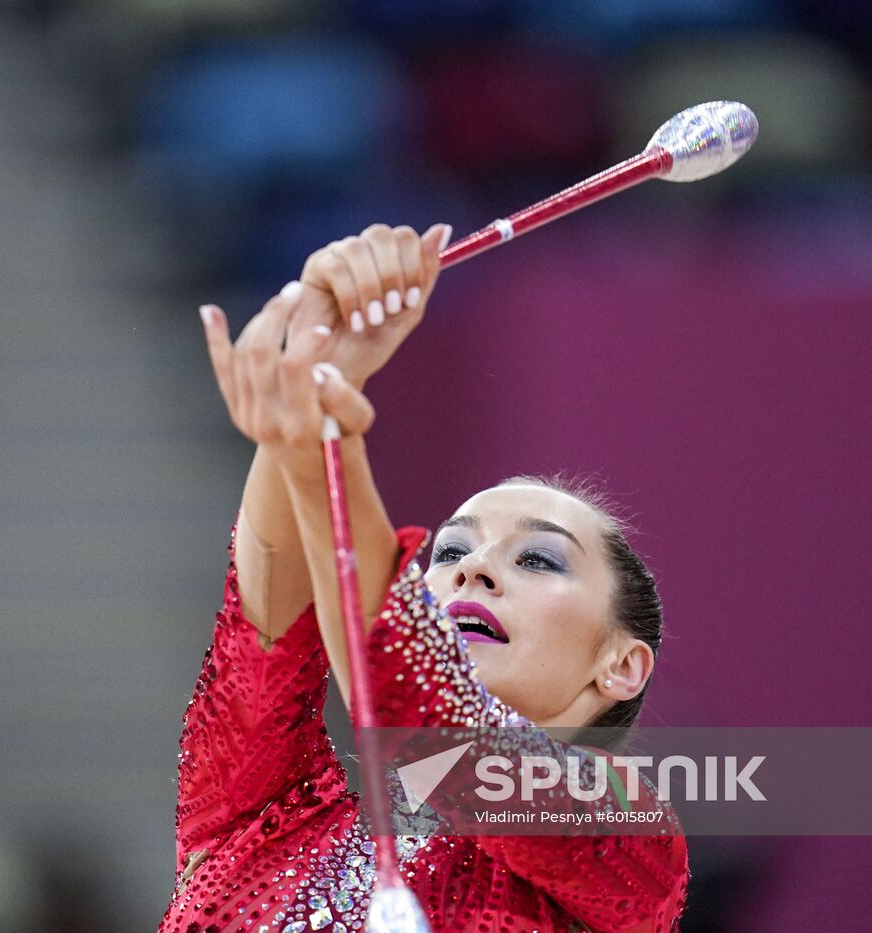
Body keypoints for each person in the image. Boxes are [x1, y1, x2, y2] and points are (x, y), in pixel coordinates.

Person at [162, 224, 688, 932]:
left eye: (537, 558)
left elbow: (433, 725)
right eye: (448, 552)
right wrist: (321, 369)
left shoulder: (631, 842)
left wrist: (325, 441)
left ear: (621, 665)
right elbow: (258, 637)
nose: (473, 567)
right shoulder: (260, 819)